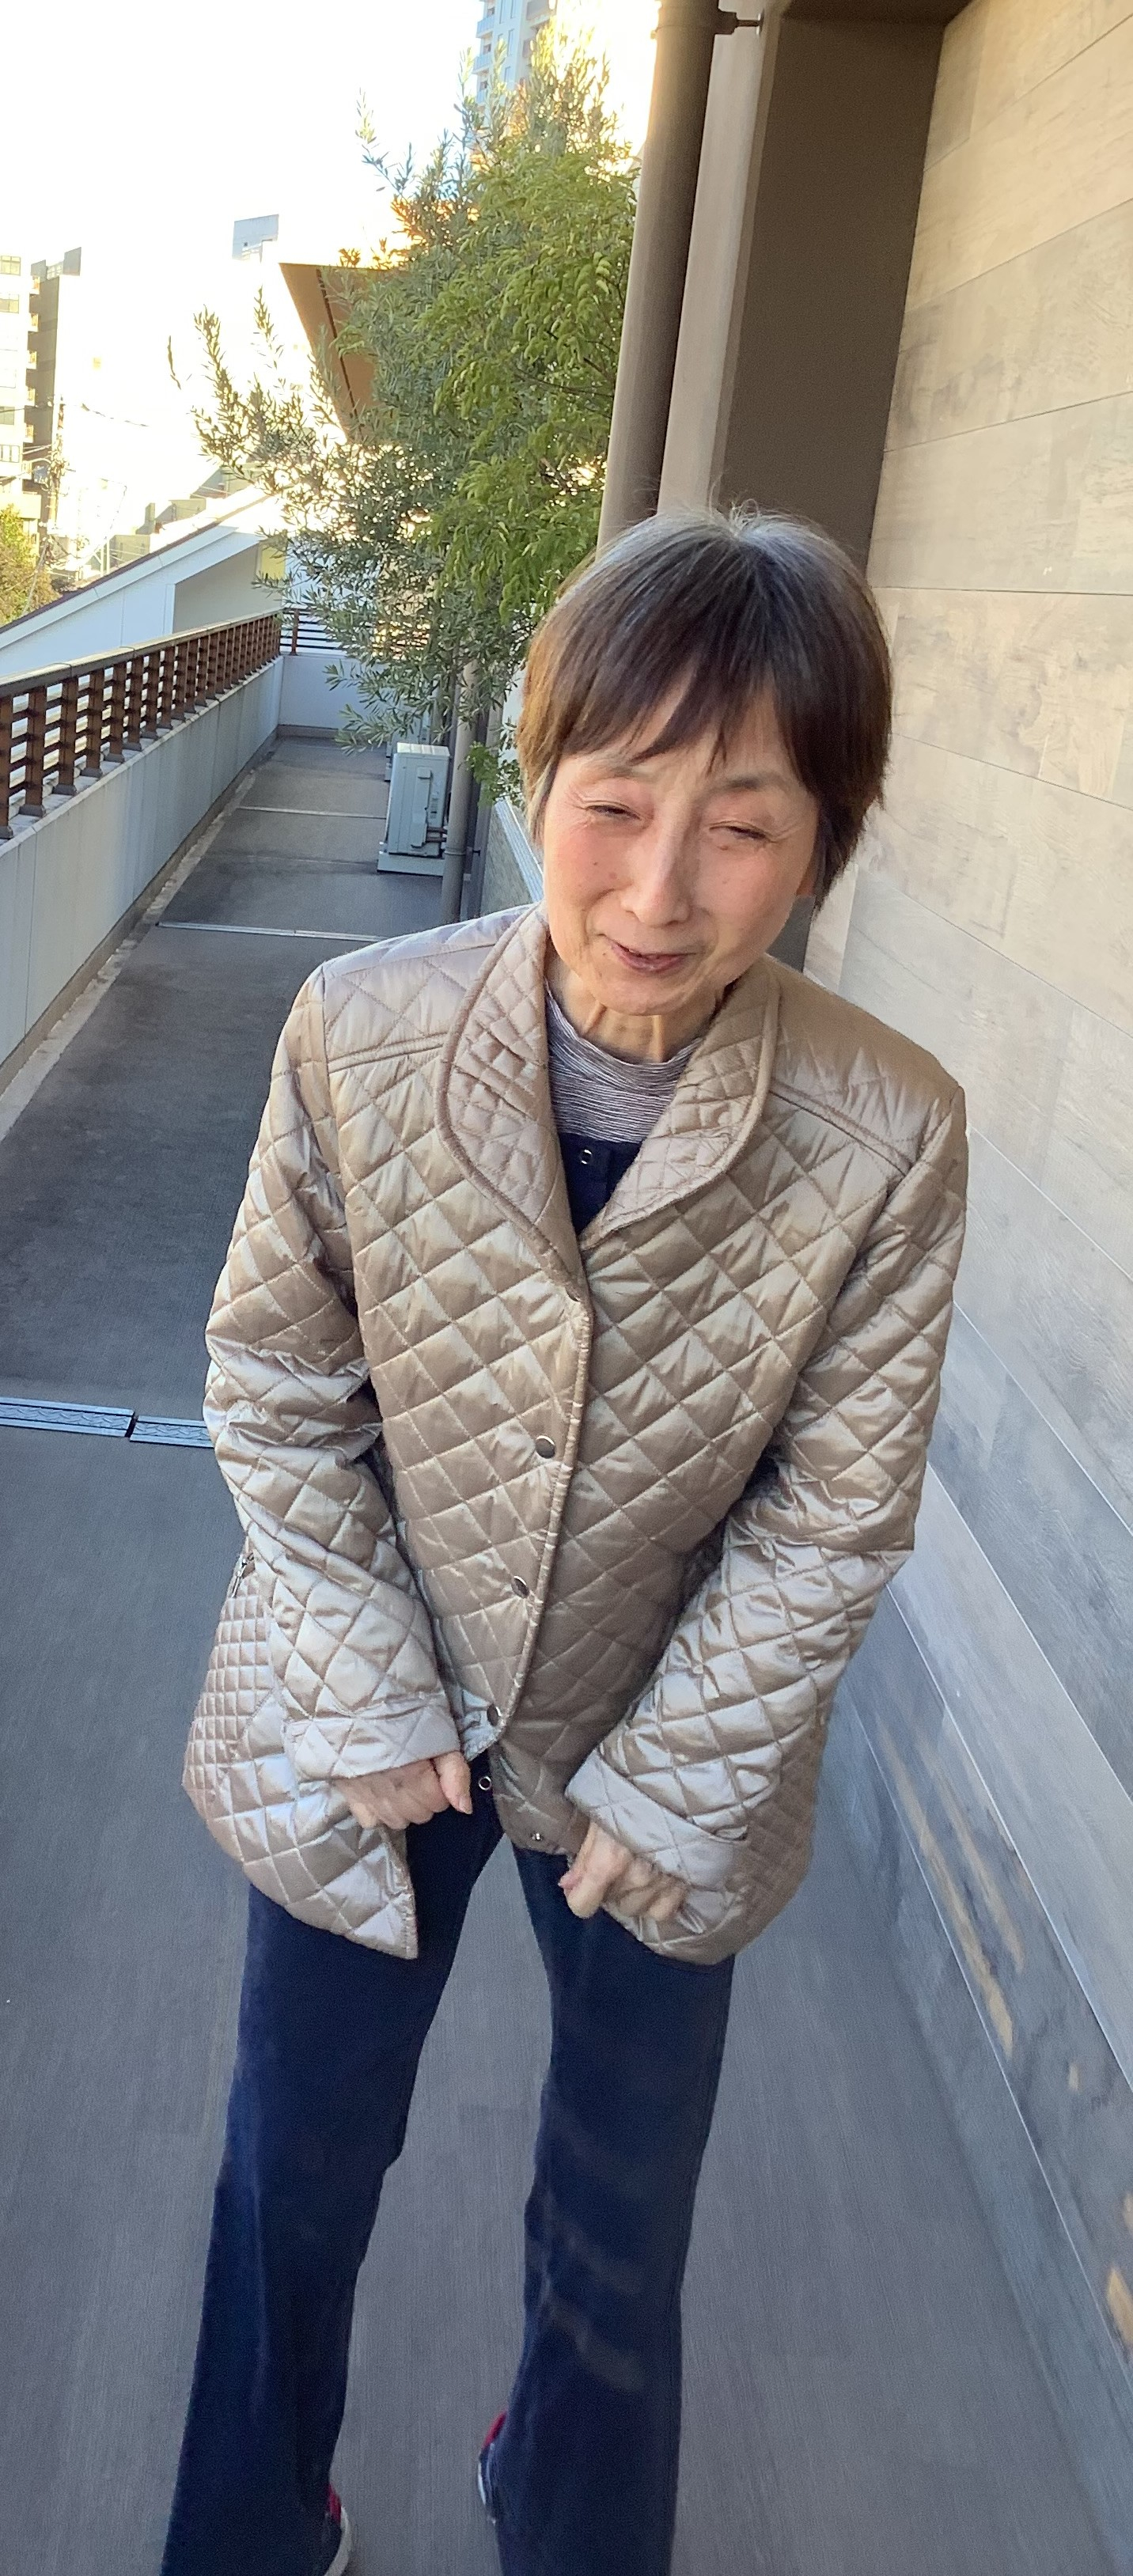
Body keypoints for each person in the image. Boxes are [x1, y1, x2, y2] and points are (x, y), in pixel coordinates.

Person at [162, 509, 967, 2576]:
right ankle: (250, 2530)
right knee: (291, 2176)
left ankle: (568, 2520)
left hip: (666, 1749)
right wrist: (363, 1683)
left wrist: (682, 1776)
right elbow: (272, 1373)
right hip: (359, 1716)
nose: (661, 888)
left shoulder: (891, 1128)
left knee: (622, 2225)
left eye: (745, 825)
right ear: (538, 782)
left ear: (827, 841)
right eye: (615, 804)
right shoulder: (354, 1029)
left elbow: (837, 1505)